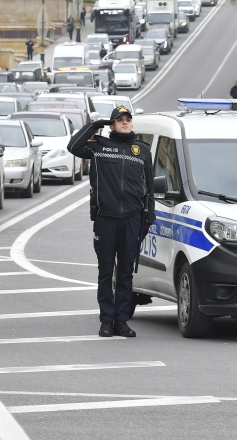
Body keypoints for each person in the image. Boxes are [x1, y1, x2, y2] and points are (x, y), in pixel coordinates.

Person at [67, 106, 155, 338]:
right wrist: (95, 125)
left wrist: (150, 217)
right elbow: (73, 147)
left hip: (133, 218)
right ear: (112, 124)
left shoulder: (142, 150)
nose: (125, 123)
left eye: (128, 119)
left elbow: (150, 188)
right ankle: (106, 320)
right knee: (106, 270)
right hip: (106, 218)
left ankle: (121, 321)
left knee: (126, 271)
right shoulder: (99, 146)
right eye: (119, 120)